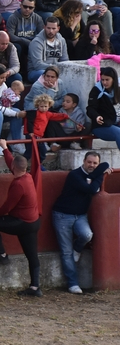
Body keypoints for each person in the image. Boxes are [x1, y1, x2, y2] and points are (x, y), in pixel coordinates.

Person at [51, 151, 111, 293]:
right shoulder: (75, 175)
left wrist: (100, 171)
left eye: (95, 163)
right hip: (62, 215)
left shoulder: (92, 174)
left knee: (87, 235)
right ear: (83, 161)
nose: (92, 165)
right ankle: (73, 284)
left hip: (80, 215)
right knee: (66, 252)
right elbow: (90, 188)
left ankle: (77, 249)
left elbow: (106, 164)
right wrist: (101, 175)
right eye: (89, 162)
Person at [87, 67, 120, 148]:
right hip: (102, 126)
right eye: (102, 80)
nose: (104, 82)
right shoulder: (97, 90)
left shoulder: (118, 90)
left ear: (113, 79)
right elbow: (90, 109)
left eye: (107, 79)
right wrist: (96, 116)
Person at [28, 17, 70, 82]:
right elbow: (38, 65)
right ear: (44, 27)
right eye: (48, 28)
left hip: (56, 70)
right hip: (36, 72)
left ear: (58, 28)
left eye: (53, 28)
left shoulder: (61, 40)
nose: (51, 31)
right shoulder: (36, 42)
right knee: (47, 75)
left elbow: (65, 60)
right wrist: (55, 69)